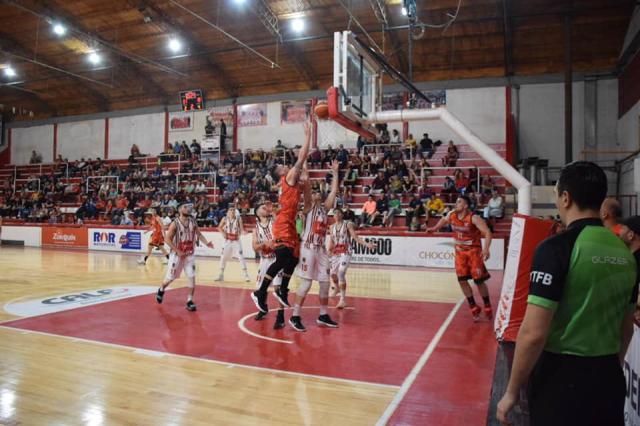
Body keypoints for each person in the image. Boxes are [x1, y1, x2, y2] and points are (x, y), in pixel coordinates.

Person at [497, 162, 638, 426]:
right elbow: (626, 328)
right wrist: (608, 366)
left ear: (565, 197)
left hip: (561, 380)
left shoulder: (555, 248)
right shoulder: (625, 253)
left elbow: (533, 333)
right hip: (609, 377)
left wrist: (511, 392)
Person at [251, 121, 312, 314]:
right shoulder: (289, 178)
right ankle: (260, 293)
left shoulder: (291, 181)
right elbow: (301, 157)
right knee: (283, 256)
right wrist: (308, 136)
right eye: (280, 165)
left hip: (291, 223)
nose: (284, 165)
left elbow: (306, 184)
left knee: (293, 258)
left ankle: (283, 290)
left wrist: (307, 175)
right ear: (280, 173)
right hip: (283, 223)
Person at [289, 160, 340, 331]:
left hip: (321, 250)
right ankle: (295, 316)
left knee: (325, 283)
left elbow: (333, 191)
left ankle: (323, 315)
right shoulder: (309, 206)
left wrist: (335, 173)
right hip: (308, 247)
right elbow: (307, 190)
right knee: (306, 283)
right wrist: (305, 172)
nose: (317, 194)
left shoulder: (325, 209)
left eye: (319, 192)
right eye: (315, 192)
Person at [427, 195, 493, 320]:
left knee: (479, 281)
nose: (456, 203)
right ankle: (473, 306)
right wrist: (434, 228)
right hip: (460, 253)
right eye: (456, 201)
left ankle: (487, 304)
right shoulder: (452, 215)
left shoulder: (474, 218)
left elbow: (488, 232)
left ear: (466, 205)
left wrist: (486, 248)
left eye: (459, 202)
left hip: (474, 252)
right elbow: (444, 220)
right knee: (462, 280)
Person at [155, 202, 214, 311]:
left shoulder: (193, 221)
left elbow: (199, 234)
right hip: (177, 256)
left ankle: (189, 301)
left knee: (191, 276)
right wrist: (177, 251)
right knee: (170, 279)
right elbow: (167, 239)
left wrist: (206, 243)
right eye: (185, 207)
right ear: (180, 210)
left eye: (188, 207)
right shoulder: (175, 223)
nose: (188, 208)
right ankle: (161, 289)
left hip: (189, 254)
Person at [328, 208, 375, 308]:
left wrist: (367, 244)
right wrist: (328, 251)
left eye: (339, 213)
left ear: (342, 215)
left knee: (341, 272)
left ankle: (342, 300)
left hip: (346, 251)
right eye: (335, 213)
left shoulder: (347, 224)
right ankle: (336, 288)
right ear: (333, 216)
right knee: (332, 273)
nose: (337, 215)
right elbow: (331, 241)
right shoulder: (331, 227)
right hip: (336, 252)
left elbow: (355, 237)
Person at [252, 203, 286, 328]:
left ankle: (280, 316)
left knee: (278, 288)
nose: (265, 207)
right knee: (261, 288)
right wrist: (264, 244)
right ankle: (263, 308)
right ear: (257, 212)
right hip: (265, 260)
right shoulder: (256, 228)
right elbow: (255, 247)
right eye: (262, 207)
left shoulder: (274, 221)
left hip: (278, 258)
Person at [215, 207, 250, 282]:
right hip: (227, 241)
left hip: (236, 241)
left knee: (241, 257)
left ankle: (246, 275)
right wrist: (223, 233)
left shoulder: (238, 219)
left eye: (233, 210)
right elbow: (219, 227)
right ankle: (221, 275)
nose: (232, 211)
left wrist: (243, 232)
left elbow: (241, 229)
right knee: (223, 257)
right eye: (230, 210)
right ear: (228, 212)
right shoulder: (224, 218)